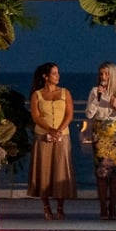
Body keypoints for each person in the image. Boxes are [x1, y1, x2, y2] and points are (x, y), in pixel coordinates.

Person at [85, 62, 116, 221]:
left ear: (113, 75)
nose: (103, 77)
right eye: (101, 74)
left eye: (106, 74)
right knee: (101, 172)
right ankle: (102, 207)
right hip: (100, 134)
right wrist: (97, 100)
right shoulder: (94, 91)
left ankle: (113, 205)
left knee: (115, 172)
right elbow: (90, 114)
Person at [28, 62, 74, 219]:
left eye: (58, 73)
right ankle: (46, 206)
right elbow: (36, 116)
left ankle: (61, 206)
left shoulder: (65, 93)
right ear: (45, 76)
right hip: (43, 136)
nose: (58, 76)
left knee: (60, 169)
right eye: (54, 73)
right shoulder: (37, 95)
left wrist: (59, 130)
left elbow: (69, 114)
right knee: (44, 170)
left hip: (62, 136)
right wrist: (49, 129)